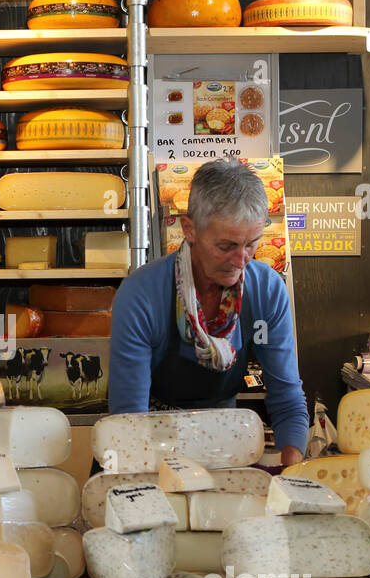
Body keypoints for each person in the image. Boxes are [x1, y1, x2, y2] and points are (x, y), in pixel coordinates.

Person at [108, 158, 309, 466]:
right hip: (149, 445)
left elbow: (287, 400)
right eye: (225, 246)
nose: (240, 260)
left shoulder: (266, 290)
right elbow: (128, 419)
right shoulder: (142, 296)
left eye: (251, 244)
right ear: (190, 229)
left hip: (224, 444)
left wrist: (294, 472)